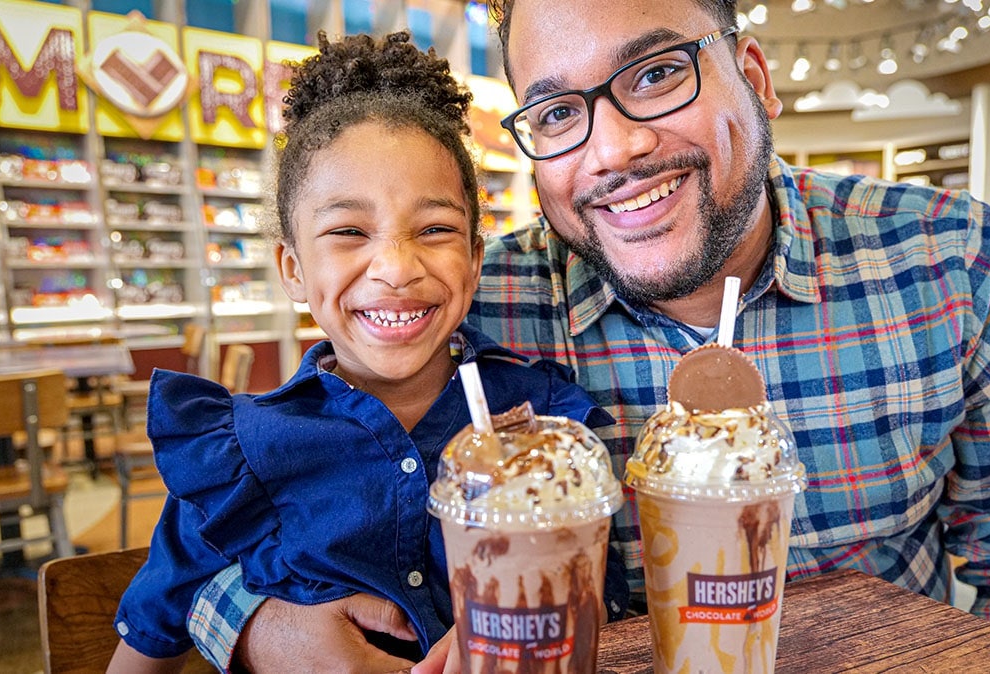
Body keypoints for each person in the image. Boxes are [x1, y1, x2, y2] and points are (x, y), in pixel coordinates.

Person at [188, 1, 990, 671]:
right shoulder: (470, 300)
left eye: (655, 73)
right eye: (558, 113)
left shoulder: (946, 261)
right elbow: (275, 478)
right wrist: (257, 624)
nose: (613, 148)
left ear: (751, 79)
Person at [105, 31, 627, 673]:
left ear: (473, 259)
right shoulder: (237, 456)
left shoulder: (542, 416)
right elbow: (148, 645)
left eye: (434, 230)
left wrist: (538, 616)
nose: (396, 268)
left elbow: (596, 593)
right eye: (349, 231)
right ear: (292, 269)